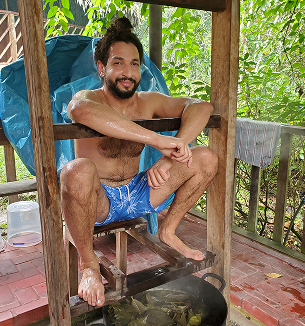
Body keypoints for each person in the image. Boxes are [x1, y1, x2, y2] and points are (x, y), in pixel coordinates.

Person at [60, 17, 218, 307]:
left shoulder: (148, 100)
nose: (127, 72)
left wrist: (171, 156)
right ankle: (88, 266)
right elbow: (77, 108)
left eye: (134, 64)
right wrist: (158, 141)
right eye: (118, 63)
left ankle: (168, 230)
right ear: (101, 68)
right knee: (76, 170)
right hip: (99, 199)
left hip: (140, 190)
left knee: (206, 157)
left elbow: (201, 106)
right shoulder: (89, 98)